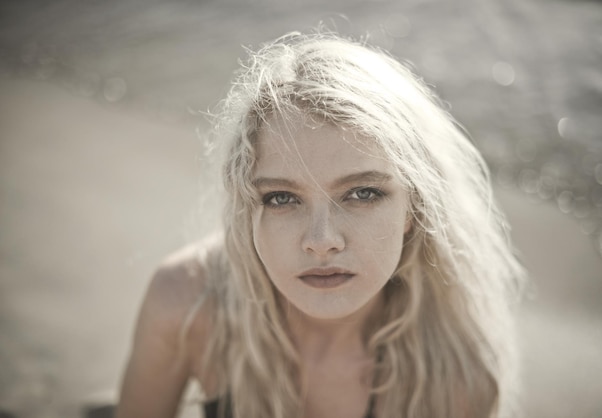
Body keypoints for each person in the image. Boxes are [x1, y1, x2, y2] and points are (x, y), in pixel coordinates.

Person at [116, 31, 525, 418]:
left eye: (362, 193)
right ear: (247, 209)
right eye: (282, 198)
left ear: (413, 207)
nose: (321, 241)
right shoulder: (189, 303)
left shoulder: (455, 374)